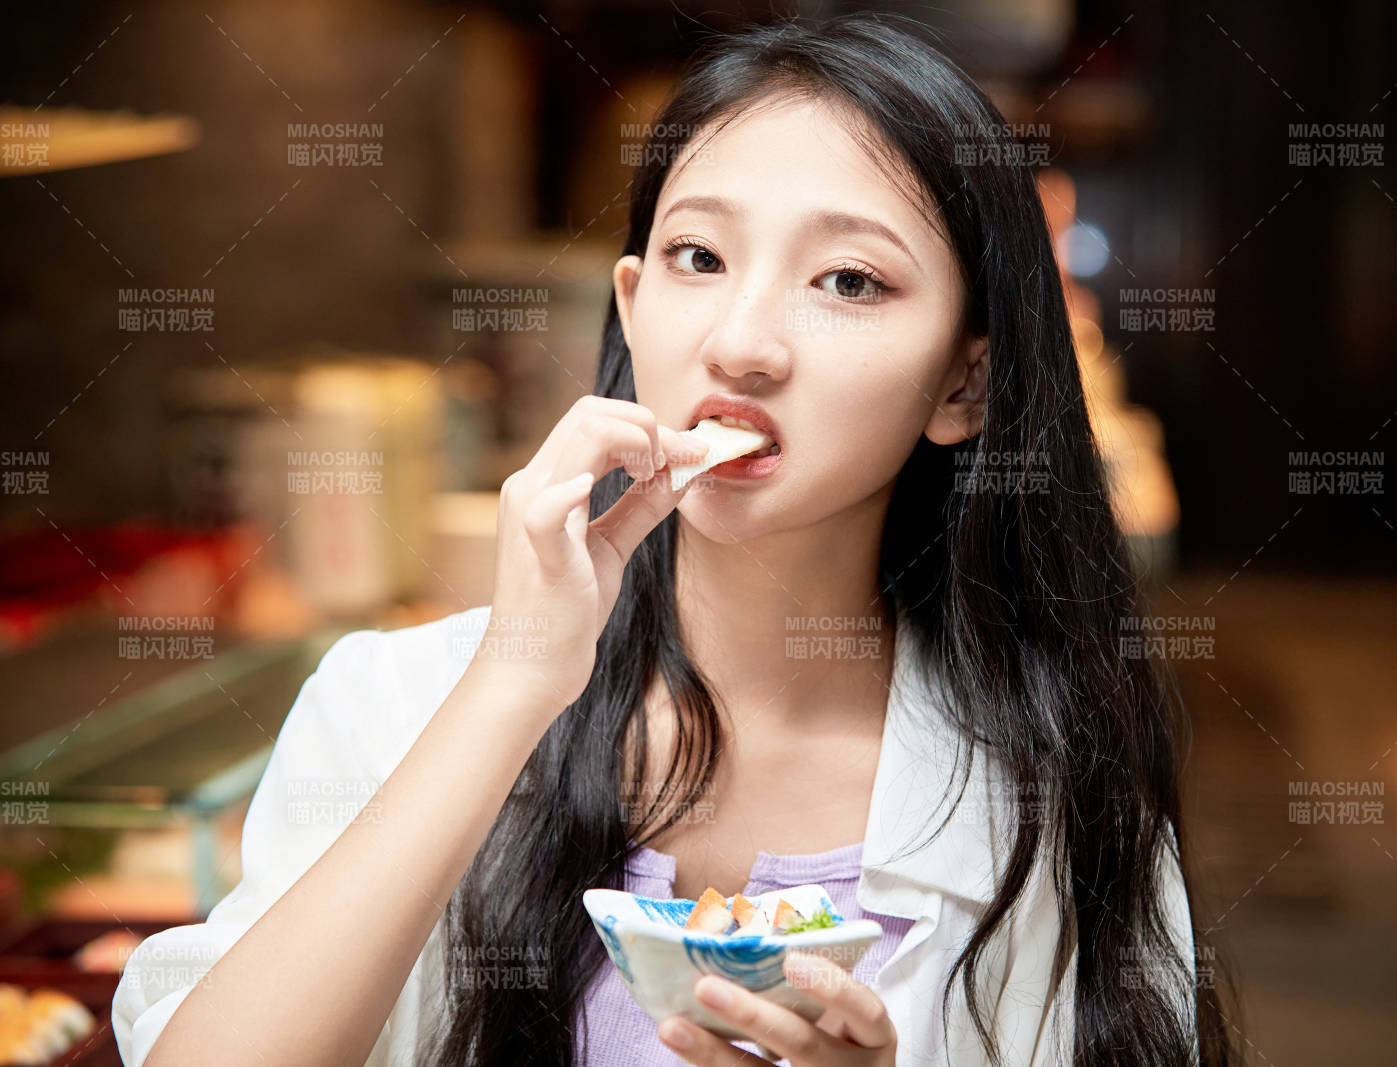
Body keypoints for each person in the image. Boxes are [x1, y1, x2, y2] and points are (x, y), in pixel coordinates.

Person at [113, 13, 1230, 1067]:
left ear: (965, 381)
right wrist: (513, 682)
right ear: (633, 305)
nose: (742, 343)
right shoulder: (398, 700)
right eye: (700, 258)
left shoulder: (1053, 792)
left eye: (848, 279)